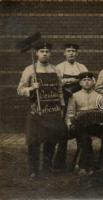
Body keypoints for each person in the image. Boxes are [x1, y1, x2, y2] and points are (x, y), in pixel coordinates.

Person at [17, 41, 67, 179]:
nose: (45, 54)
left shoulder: (55, 69)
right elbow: (20, 90)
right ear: (36, 53)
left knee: (50, 140)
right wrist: (32, 88)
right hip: (36, 112)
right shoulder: (29, 69)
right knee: (34, 141)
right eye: (42, 51)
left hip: (53, 110)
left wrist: (62, 107)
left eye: (47, 51)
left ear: (50, 53)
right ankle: (33, 170)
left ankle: (47, 166)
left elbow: (59, 90)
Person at [54, 43, 88, 170]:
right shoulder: (58, 67)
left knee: (80, 127)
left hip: (78, 100)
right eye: (68, 51)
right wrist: (70, 81)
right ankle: (59, 164)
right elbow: (55, 83)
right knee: (63, 130)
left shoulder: (82, 67)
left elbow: (88, 81)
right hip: (63, 100)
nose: (71, 53)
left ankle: (80, 161)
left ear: (77, 53)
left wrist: (78, 81)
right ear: (64, 53)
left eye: (73, 51)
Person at [65, 72, 103, 173]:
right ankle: (86, 166)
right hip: (80, 125)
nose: (87, 82)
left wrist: (101, 122)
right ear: (80, 83)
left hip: (94, 125)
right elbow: (70, 113)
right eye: (84, 80)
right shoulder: (74, 96)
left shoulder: (99, 96)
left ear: (93, 82)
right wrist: (70, 124)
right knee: (85, 139)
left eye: (89, 80)